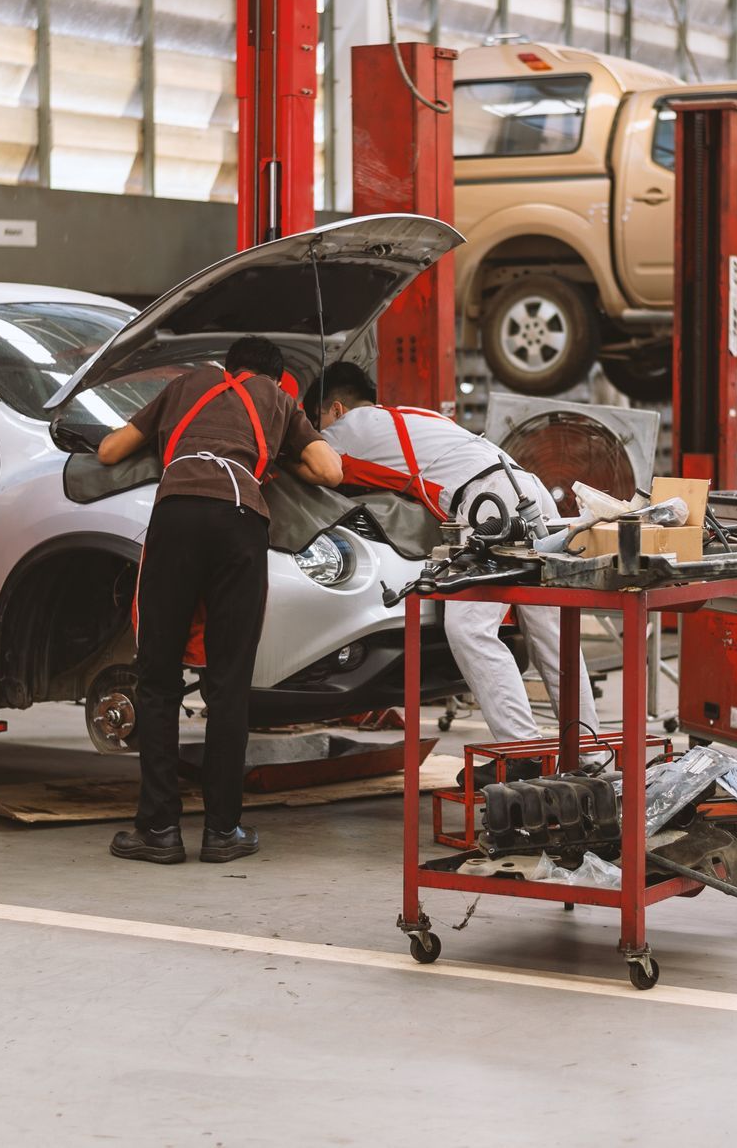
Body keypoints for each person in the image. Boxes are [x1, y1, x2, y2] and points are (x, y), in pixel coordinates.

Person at [96, 336, 343, 865]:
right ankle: (223, 832)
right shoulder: (277, 400)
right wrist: (278, 457)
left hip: (177, 515)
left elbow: (109, 450)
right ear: (274, 378)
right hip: (241, 521)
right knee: (228, 684)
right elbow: (331, 472)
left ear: (228, 366)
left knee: (158, 679)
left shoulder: (185, 385)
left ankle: (159, 830)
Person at [306, 363, 598, 788]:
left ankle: (522, 753)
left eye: (320, 422)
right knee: (551, 633)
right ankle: (590, 754)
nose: (322, 430)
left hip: (489, 504)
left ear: (335, 408)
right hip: (528, 491)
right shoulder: (415, 417)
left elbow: (313, 463)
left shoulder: (350, 425)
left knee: (468, 627)